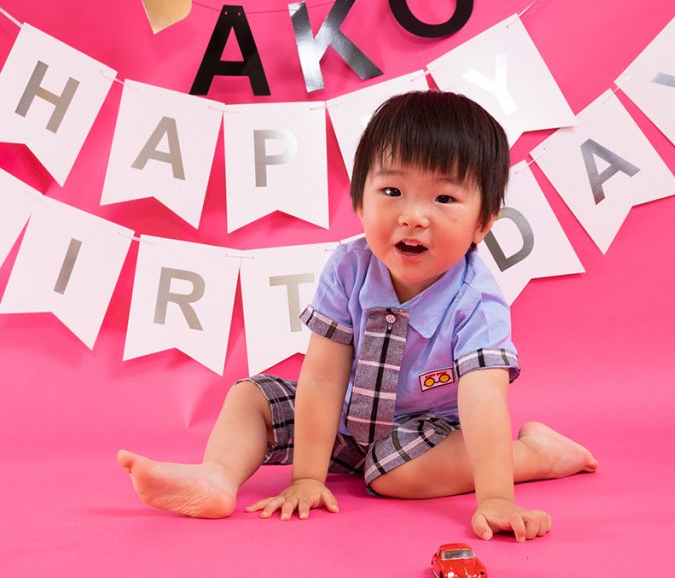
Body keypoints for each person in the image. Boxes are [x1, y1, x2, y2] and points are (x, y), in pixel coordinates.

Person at [118, 91, 596, 541]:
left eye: (444, 199)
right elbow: (324, 379)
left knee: (393, 474)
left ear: (483, 224)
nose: (413, 216)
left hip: (432, 430)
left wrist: (495, 497)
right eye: (391, 190)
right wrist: (307, 475)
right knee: (251, 396)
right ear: (358, 202)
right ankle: (217, 476)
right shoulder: (348, 267)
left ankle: (533, 455)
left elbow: (482, 404)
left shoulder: (477, 302)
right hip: (346, 423)